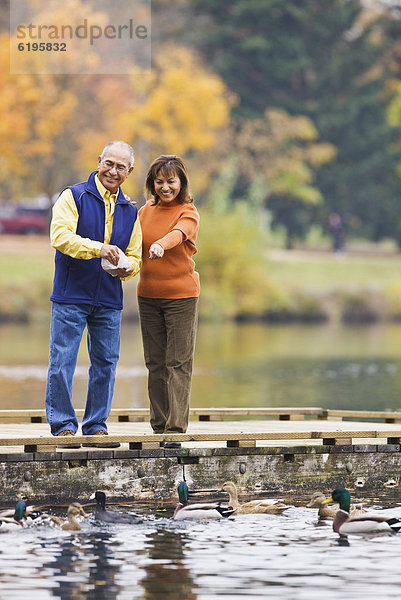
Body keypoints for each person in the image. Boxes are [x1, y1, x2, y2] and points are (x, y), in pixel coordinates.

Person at [45, 141, 142, 448]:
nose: (113, 171)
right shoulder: (73, 196)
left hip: (109, 298)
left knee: (106, 363)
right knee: (62, 361)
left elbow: (135, 255)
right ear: (99, 160)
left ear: (130, 171)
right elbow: (60, 237)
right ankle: (62, 425)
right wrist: (99, 249)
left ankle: (96, 425)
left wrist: (130, 269)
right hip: (71, 293)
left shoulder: (131, 210)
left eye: (120, 167)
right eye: (109, 163)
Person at [137, 155, 200, 449]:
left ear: (181, 182)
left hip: (181, 298)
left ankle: (175, 431)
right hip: (148, 296)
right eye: (159, 182)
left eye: (171, 181)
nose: (165, 187)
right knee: (155, 363)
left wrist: (162, 243)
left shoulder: (188, 211)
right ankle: (159, 426)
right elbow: (132, 243)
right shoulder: (144, 212)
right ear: (152, 183)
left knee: (177, 363)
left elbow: (179, 234)